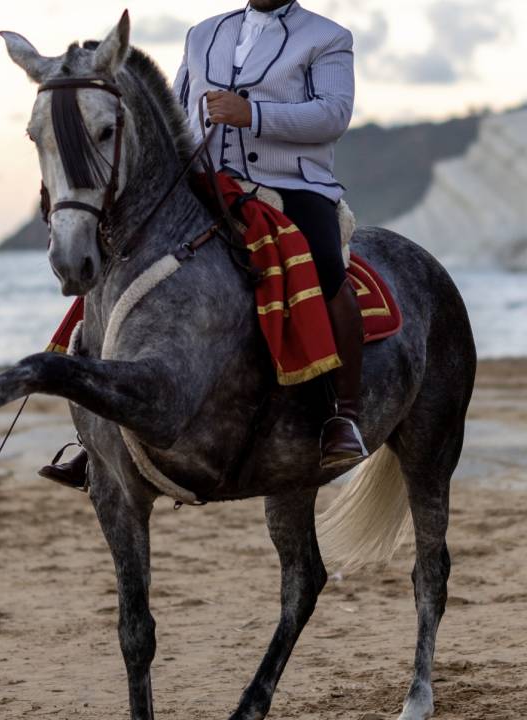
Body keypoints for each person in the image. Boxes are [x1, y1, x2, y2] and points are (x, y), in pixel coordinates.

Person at [40, 0, 366, 488]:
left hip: (289, 185)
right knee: (116, 264)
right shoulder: (203, 33)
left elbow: (332, 116)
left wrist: (251, 114)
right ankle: (96, 440)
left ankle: (345, 414)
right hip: (204, 182)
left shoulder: (327, 37)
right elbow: (176, 112)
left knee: (324, 269)